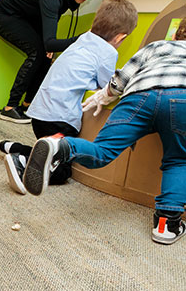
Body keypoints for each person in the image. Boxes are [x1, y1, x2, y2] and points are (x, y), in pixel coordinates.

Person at [22, 17, 186, 245]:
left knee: (103, 150)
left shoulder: (158, 45)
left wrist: (103, 96)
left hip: (139, 97)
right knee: (178, 160)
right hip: (182, 100)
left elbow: (119, 80)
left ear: (177, 34)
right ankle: (166, 224)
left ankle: (61, 146)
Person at [0, 0, 137, 194]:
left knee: (48, 151)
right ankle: (21, 162)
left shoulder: (82, 39)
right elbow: (108, 86)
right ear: (121, 37)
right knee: (63, 170)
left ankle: (17, 148)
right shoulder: (108, 52)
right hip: (60, 119)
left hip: (39, 114)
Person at [0, 0, 95, 124]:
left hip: (28, 15)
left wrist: (49, 43)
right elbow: (50, 43)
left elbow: (50, 38)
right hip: (5, 14)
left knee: (46, 55)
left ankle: (28, 104)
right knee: (38, 52)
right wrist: (84, 37)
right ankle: (10, 107)